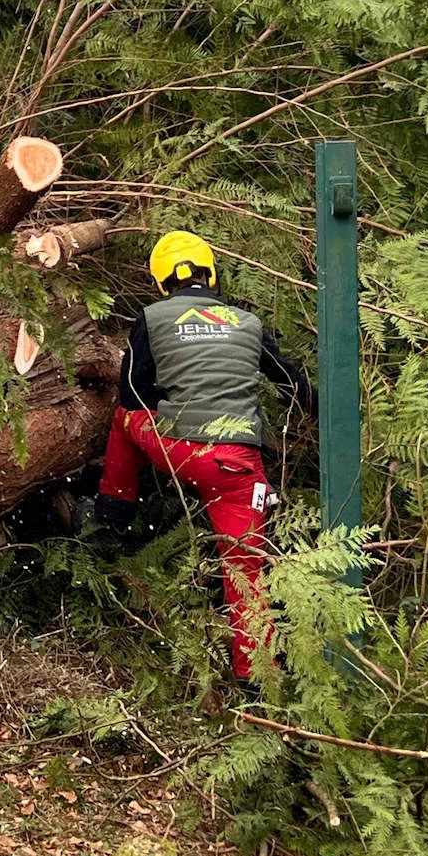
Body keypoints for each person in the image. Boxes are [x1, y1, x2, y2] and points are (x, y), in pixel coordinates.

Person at [93, 231, 314, 679]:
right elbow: (294, 385)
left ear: (161, 281)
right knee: (247, 581)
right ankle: (258, 683)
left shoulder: (152, 318)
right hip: (239, 468)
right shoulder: (247, 323)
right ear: (211, 273)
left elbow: (133, 394)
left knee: (123, 419)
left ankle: (110, 519)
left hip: (182, 451)